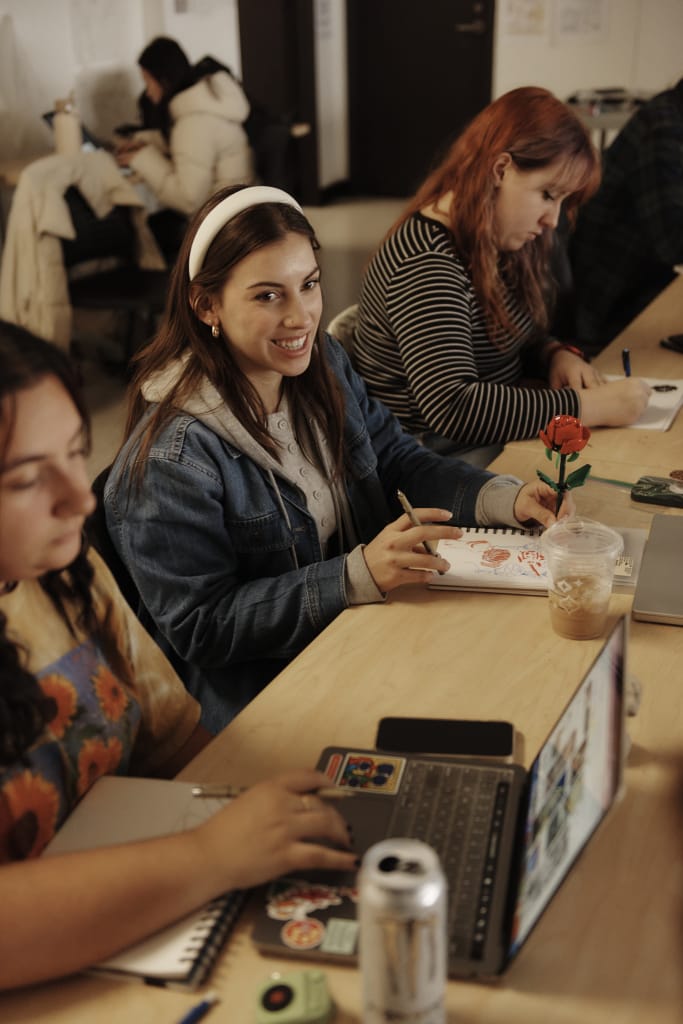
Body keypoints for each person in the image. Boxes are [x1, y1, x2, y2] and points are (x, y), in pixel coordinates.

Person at [103, 183, 575, 732]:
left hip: (357, 627)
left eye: (308, 285)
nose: (301, 317)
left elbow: (395, 458)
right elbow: (202, 626)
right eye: (267, 296)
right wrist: (353, 576)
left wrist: (505, 498)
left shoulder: (321, 361)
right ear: (206, 304)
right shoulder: (173, 455)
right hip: (270, 691)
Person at [0, 320, 357, 990]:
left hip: (140, 923)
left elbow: (172, 741)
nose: (80, 498)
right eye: (25, 480)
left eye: (78, 452)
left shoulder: (60, 573)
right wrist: (209, 854)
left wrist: (274, 812)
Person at [353, 86, 652, 467]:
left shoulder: (490, 239)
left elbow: (509, 336)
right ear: (500, 170)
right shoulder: (426, 262)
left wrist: (553, 353)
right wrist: (586, 406)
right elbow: (454, 407)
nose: (553, 221)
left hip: (480, 442)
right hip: (429, 460)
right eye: (547, 194)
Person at [115, 36, 253, 261]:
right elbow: (195, 147)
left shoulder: (193, 123)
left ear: (164, 79)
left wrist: (142, 158)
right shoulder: (207, 103)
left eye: (148, 81)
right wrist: (147, 141)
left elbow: (189, 200)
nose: (148, 92)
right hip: (240, 214)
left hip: (222, 232)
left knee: (149, 231)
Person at [571, 77, 683, 353]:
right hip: (607, 299)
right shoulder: (663, 129)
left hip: (638, 279)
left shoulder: (670, 115)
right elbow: (674, 240)